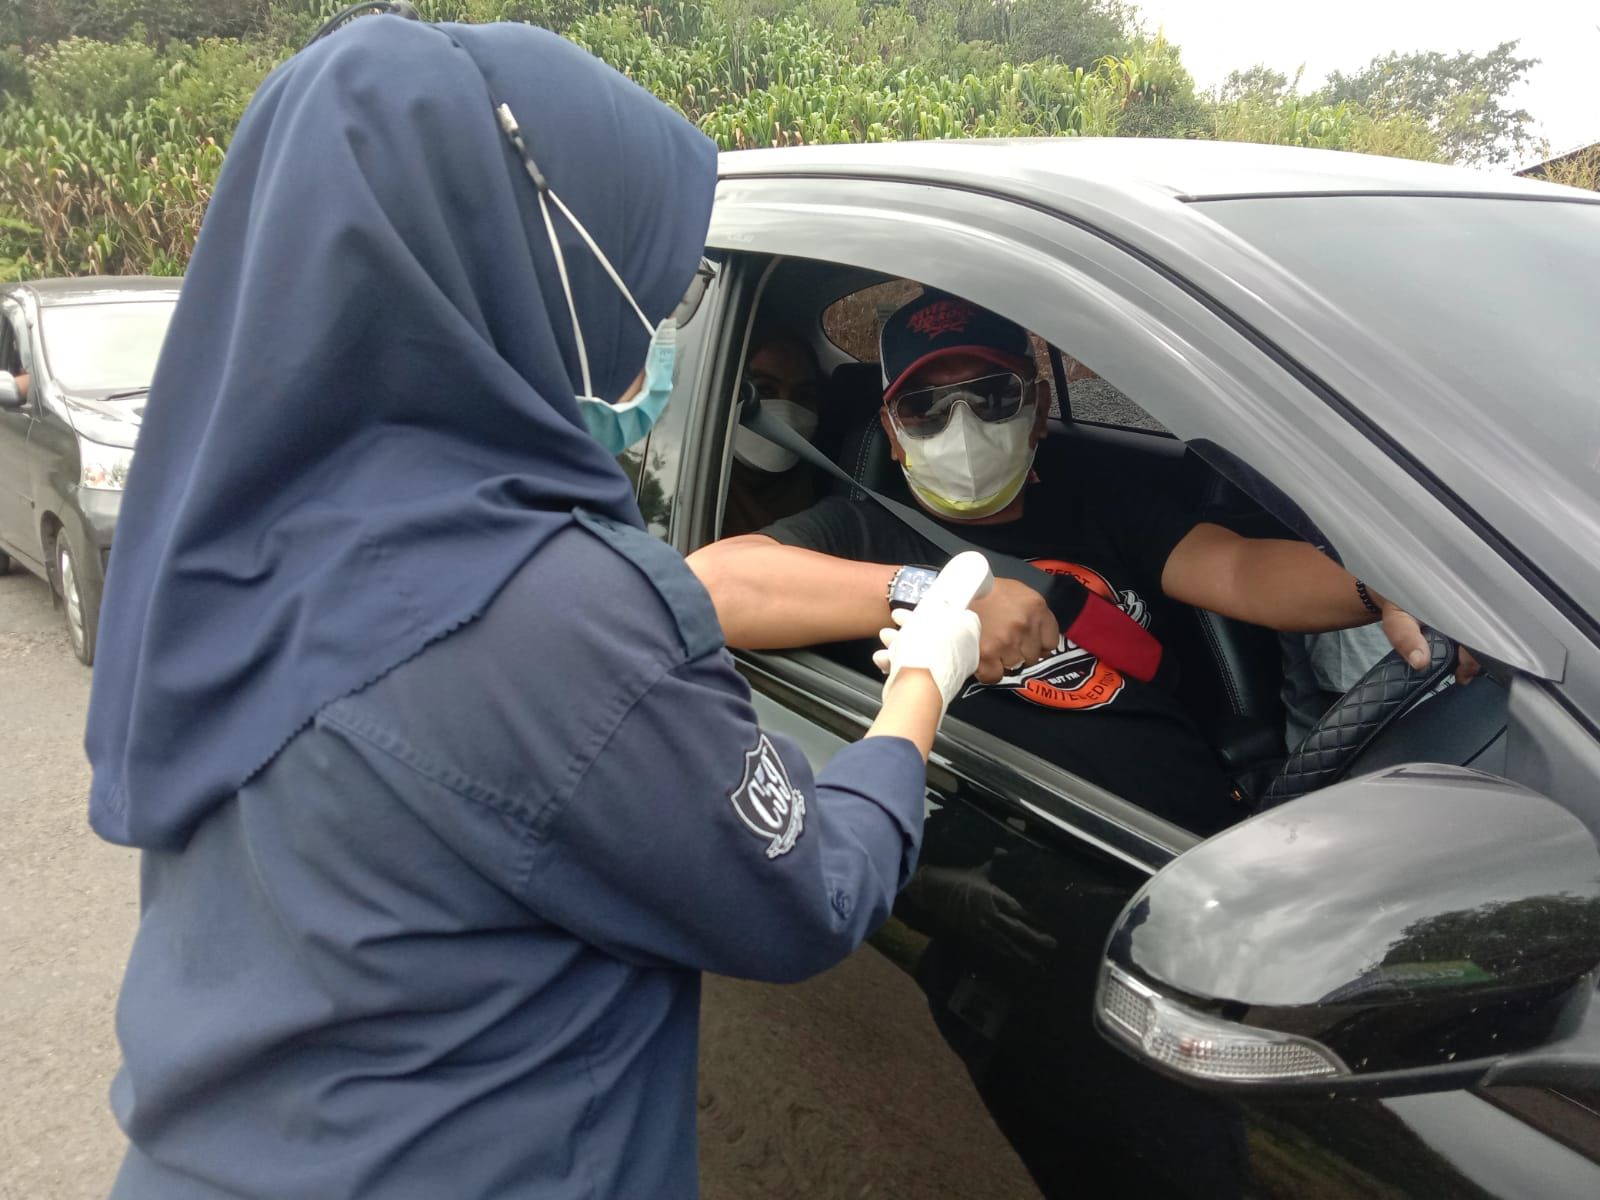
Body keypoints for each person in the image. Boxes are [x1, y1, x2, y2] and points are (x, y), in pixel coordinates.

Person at [84, 19, 979, 1200]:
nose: (654, 331)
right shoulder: (537, 612)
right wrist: (920, 684)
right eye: (652, 287)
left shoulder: (227, 535)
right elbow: (805, 892)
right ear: (528, 254)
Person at [689, 289, 1475, 833]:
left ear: (1035, 413)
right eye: (925, 407)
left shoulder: (1099, 499)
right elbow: (711, 585)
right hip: (1040, 855)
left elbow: (1239, 572)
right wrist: (940, 595)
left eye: (991, 396)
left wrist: (1385, 583)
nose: (960, 425)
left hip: (1205, 832)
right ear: (893, 435)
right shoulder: (856, 533)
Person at [723, 329, 823, 534]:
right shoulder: (699, 485)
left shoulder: (826, 492)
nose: (786, 411)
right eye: (765, 390)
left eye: (803, 396)